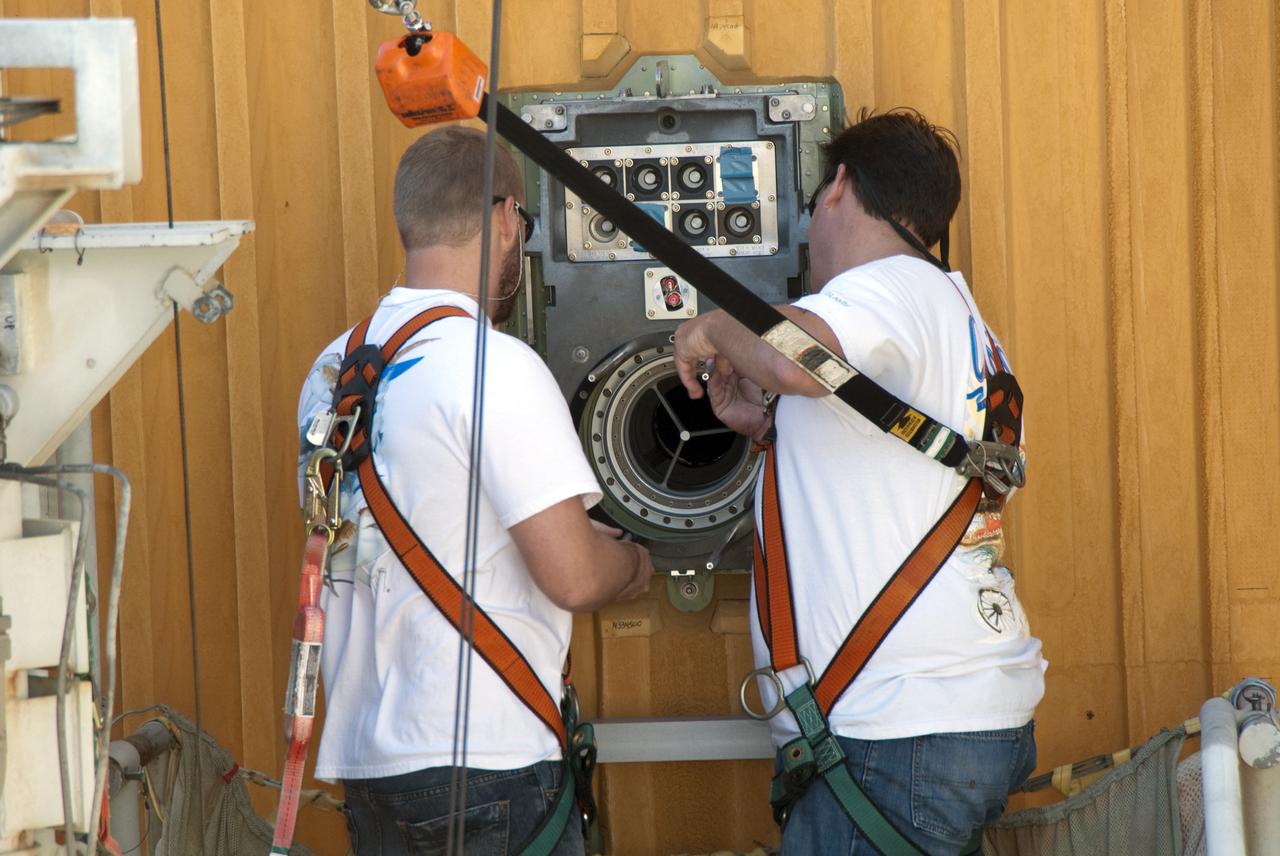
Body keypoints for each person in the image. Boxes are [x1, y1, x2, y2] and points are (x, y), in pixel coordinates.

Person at [673, 109, 1046, 854]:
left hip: (895, 737)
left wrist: (714, 328)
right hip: (944, 720)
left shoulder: (890, 287)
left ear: (839, 186)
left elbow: (792, 360)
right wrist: (767, 429)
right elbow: (881, 455)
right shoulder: (955, 315)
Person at [296, 125, 652, 855]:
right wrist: (635, 566)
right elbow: (575, 575)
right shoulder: (495, 365)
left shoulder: (334, 369)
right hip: (486, 764)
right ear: (502, 217)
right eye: (521, 225)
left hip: (370, 764)